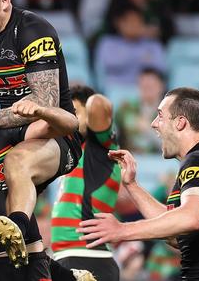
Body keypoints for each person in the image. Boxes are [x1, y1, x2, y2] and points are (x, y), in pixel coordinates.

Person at [0, 0, 82, 267]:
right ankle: (58, 271)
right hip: (12, 131)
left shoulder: (32, 31)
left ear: (5, 2)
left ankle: (14, 224)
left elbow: (47, 103)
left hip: (56, 132)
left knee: (17, 159)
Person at [78, 87, 199, 280]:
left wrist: (123, 230)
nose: (154, 124)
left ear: (180, 123)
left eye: (160, 116)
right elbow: (177, 234)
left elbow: (192, 218)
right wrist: (132, 186)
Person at [51, 85, 121, 281]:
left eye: (74, 112)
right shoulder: (72, 152)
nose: (68, 119)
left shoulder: (101, 148)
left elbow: (99, 103)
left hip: (90, 258)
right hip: (67, 258)